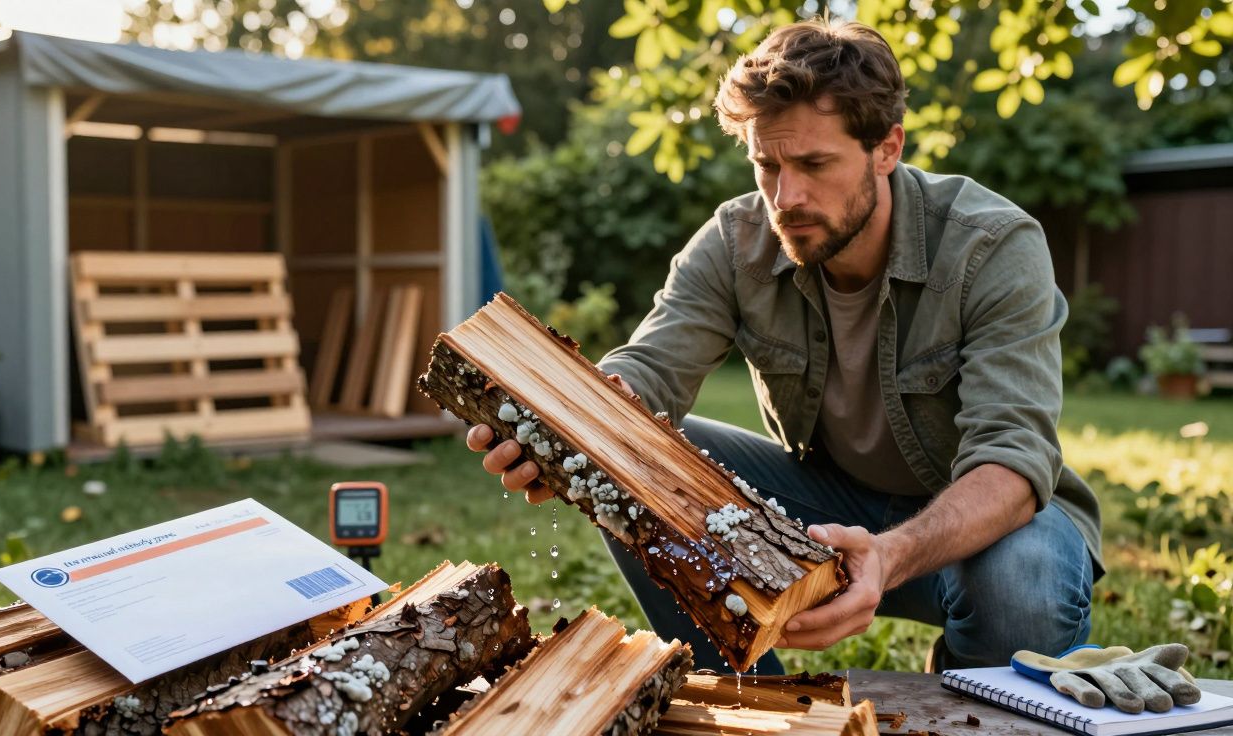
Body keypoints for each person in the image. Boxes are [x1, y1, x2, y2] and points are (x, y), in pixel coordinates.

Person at [467, 18, 1102, 675]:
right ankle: (744, 700)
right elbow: (647, 370)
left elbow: (1011, 462)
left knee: (1025, 583)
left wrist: (888, 555)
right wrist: (571, 427)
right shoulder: (735, 240)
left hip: (981, 527)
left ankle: (965, 691)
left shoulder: (991, 245)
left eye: (814, 165)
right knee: (632, 454)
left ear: (887, 149)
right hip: (823, 510)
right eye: (766, 165)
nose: (785, 197)